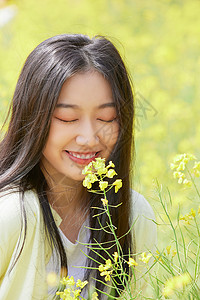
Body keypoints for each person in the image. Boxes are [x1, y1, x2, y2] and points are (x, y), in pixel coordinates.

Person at [0, 34, 156, 300]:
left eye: (106, 118)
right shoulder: (13, 213)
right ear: (32, 117)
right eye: (68, 118)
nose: (89, 138)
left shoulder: (133, 215)